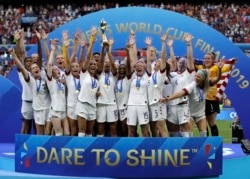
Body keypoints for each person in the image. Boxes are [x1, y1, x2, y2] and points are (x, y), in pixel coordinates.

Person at [159, 60, 225, 136]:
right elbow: (181, 93)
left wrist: (219, 69)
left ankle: (202, 147)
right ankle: (190, 147)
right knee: (189, 134)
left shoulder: (207, 85)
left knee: (203, 133)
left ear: (203, 79)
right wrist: (168, 99)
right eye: (195, 76)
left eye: (198, 77)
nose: (196, 78)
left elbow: (218, 79)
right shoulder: (192, 85)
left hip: (200, 114)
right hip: (190, 113)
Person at [9, 48, 51, 135]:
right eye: (33, 68)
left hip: (47, 108)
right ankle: (24, 146)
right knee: (27, 127)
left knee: (47, 132)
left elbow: (48, 62)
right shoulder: (30, 80)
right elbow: (21, 66)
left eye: (37, 67)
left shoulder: (45, 78)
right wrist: (14, 55)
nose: (36, 68)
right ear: (30, 72)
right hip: (34, 106)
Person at [196, 52, 234, 136]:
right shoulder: (200, 68)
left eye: (208, 58)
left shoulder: (216, 68)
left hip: (212, 99)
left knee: (212, 122)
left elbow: (227, 69)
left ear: (212, 60)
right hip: (202, 100)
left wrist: (231, 63)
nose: (206, 60)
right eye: (205, 58)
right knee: (203, 123)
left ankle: (215, 144)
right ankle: (205, 144)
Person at [165, 33, 195, 137]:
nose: (181, 63)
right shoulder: (173, 74)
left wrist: (188, 44)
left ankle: (190, 149)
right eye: (180, 62)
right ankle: (175, 150)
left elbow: (190, 59)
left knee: (185, 130)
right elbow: (170, 64)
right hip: (172, 105)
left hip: (183, 105)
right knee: (173, 131)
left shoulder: (189, 73)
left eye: (183, 62)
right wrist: (167, 46)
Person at [74, 27, 100, 137]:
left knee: (90, 132)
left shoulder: (97, 80)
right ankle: (80, 152)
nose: (93, 65)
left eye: (95, 64)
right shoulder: (84, 74)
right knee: (82, 130)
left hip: (92, 106)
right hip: (82, 105)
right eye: (91, 64)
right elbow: (88, 57)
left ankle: (88, 153)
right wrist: (92, 41)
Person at [146, 32, 169, 137]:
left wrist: (163, 43)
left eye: (158, 62)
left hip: (158, 102)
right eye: (156, 62)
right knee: (155, 128)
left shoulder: (161, 73)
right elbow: (148, 60)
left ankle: (168, 149)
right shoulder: (151, 75)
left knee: (161, 127)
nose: (156, 63)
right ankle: (159, 148)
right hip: (151, 103)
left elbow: (163, 57)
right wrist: (148, 46)